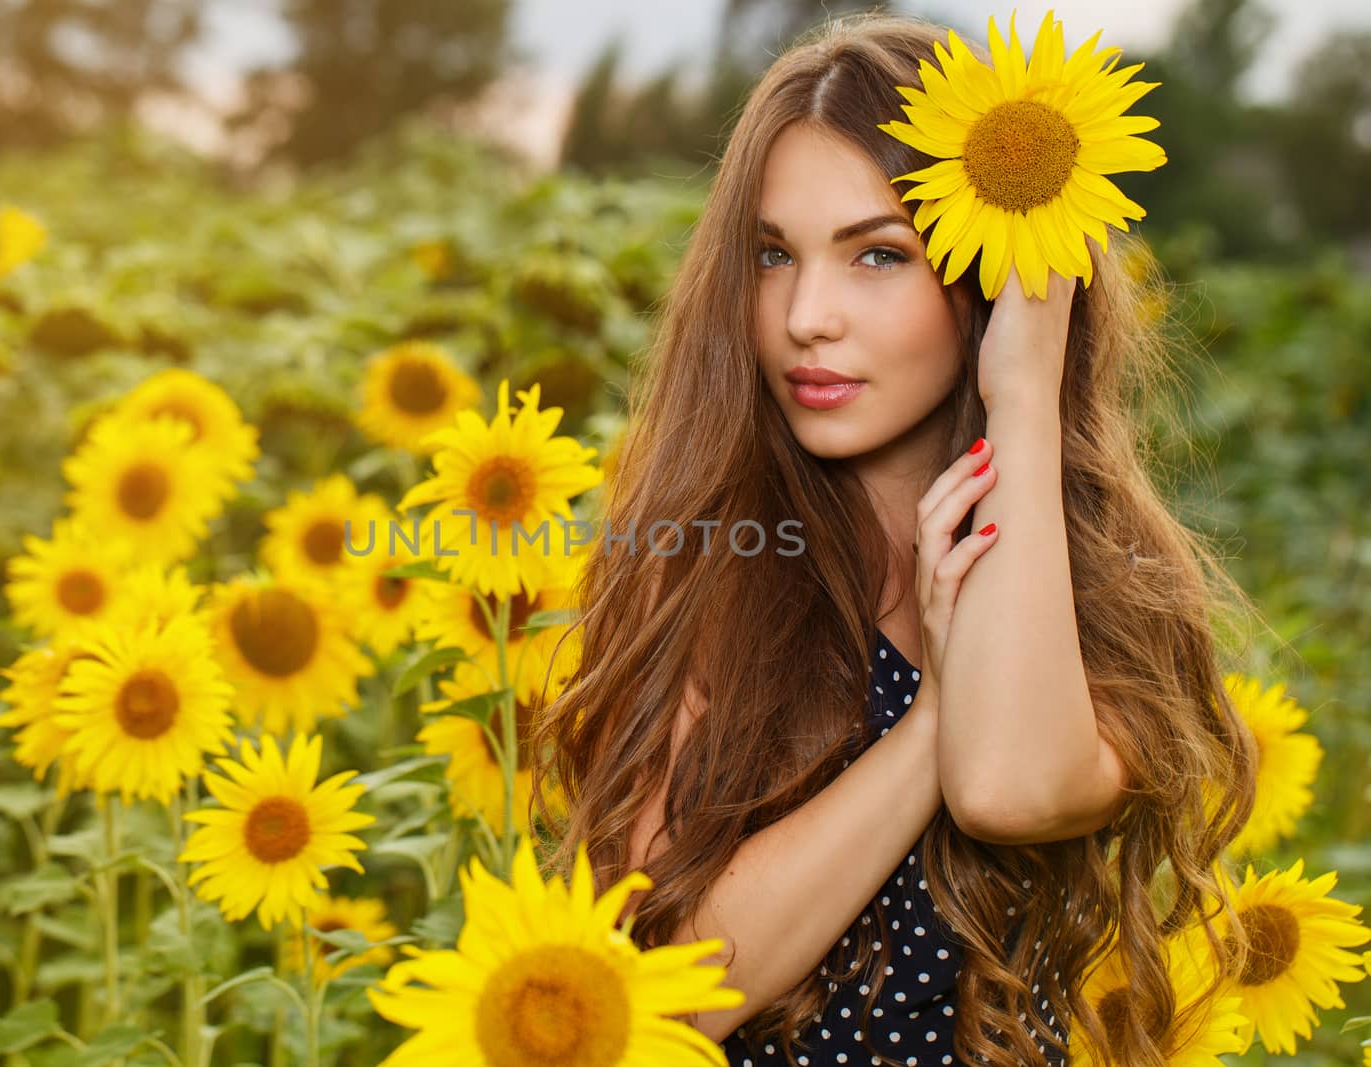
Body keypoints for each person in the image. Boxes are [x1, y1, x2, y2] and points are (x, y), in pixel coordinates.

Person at [532, 10, 1259, 1067]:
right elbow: (664, 992)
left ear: (991, 278)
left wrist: (1021, 391)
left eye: (877, 254)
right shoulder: (704, 568)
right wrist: (934, 715)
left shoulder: (1101, 589)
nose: (805, 315)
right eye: (773, 254)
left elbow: (1009, 789)